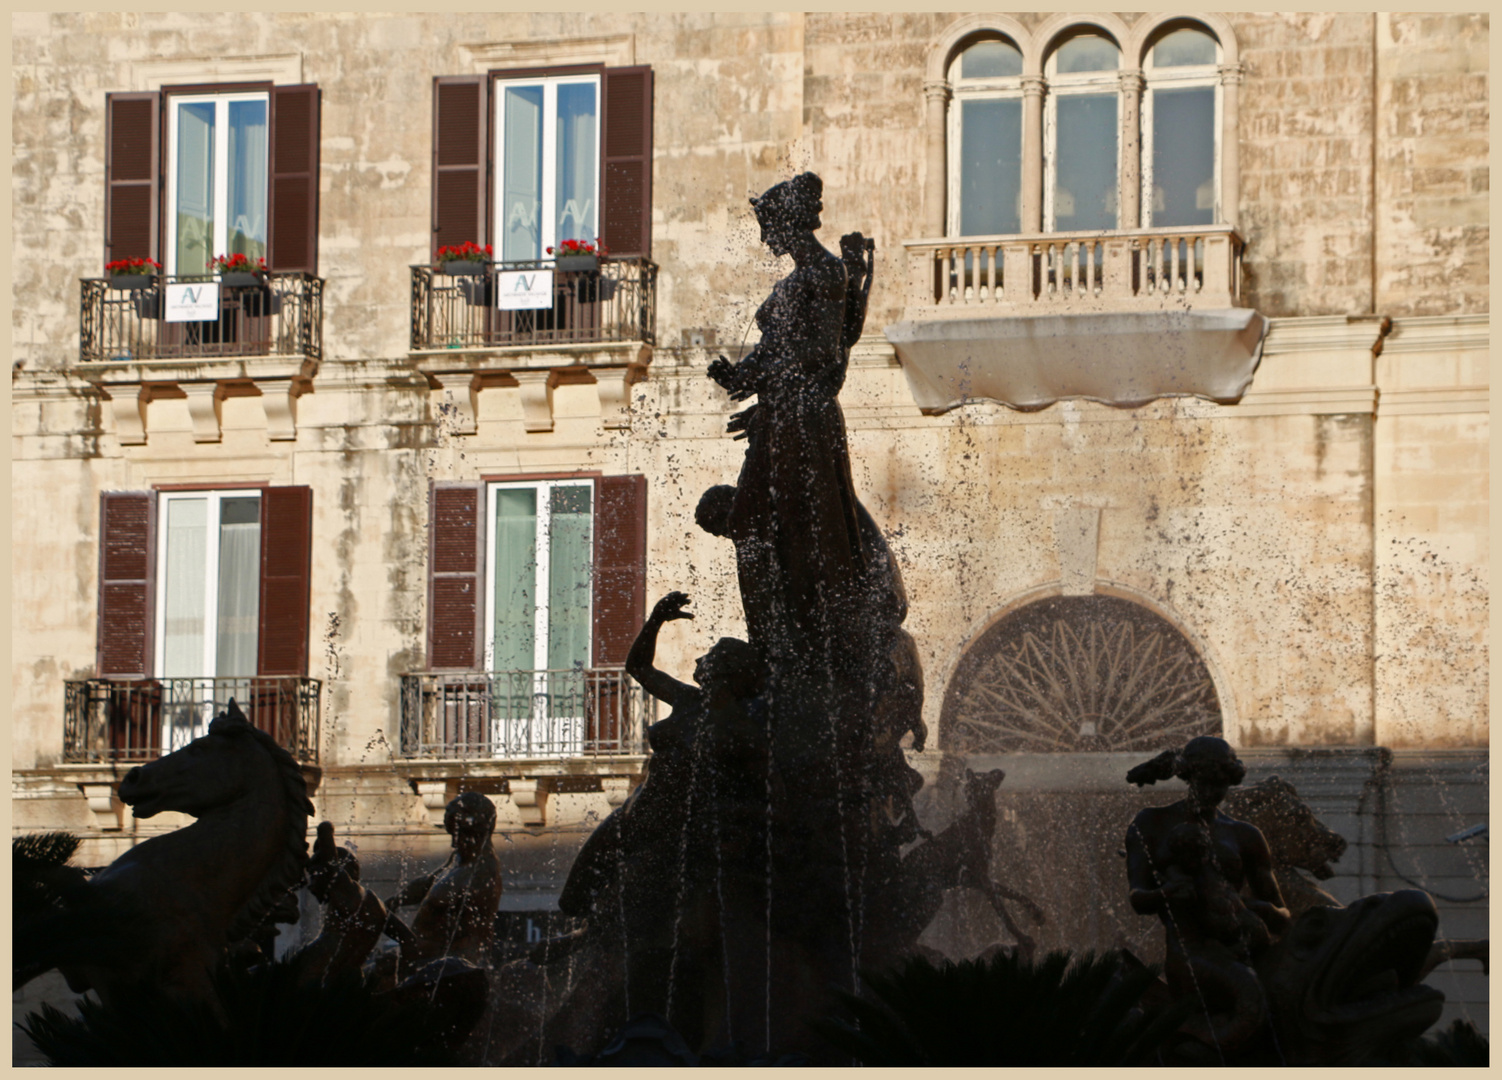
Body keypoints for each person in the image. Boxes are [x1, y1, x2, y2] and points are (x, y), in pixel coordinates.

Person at [707, 172, 867, 665]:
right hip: (780, 417)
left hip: (804, 420)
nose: (764, 238)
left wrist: (756, 379)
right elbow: (776, 350)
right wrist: (740, 375)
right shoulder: (798, 279)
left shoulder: (823, 274)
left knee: (799, 527)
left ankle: (806, 635)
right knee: (754, 525)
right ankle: (773, 641)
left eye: (768, 226)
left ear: (790, 223)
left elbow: (820, 352)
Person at [1124, 736, 1290, 1055]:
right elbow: (1137, 897)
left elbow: (1283, 914)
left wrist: (1256, 908)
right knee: (1250, 997)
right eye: (1206, 782)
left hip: (1244, 949)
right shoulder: (1151, 823)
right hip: (1190, 955)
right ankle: (1190, 1048)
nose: (1213, 792)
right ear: (1189, 778)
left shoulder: (1246, 835)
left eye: (1222, 784)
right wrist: (1167, 894)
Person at [382, 792, 503, 978]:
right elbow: (428, 883)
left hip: (440, 972)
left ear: (475, 830)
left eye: (457, 833)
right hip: (420, 963)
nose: (454, 842)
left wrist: (452, 971)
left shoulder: (481, 873)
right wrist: (394, 901)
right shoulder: (458, 858)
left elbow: (475, 936)